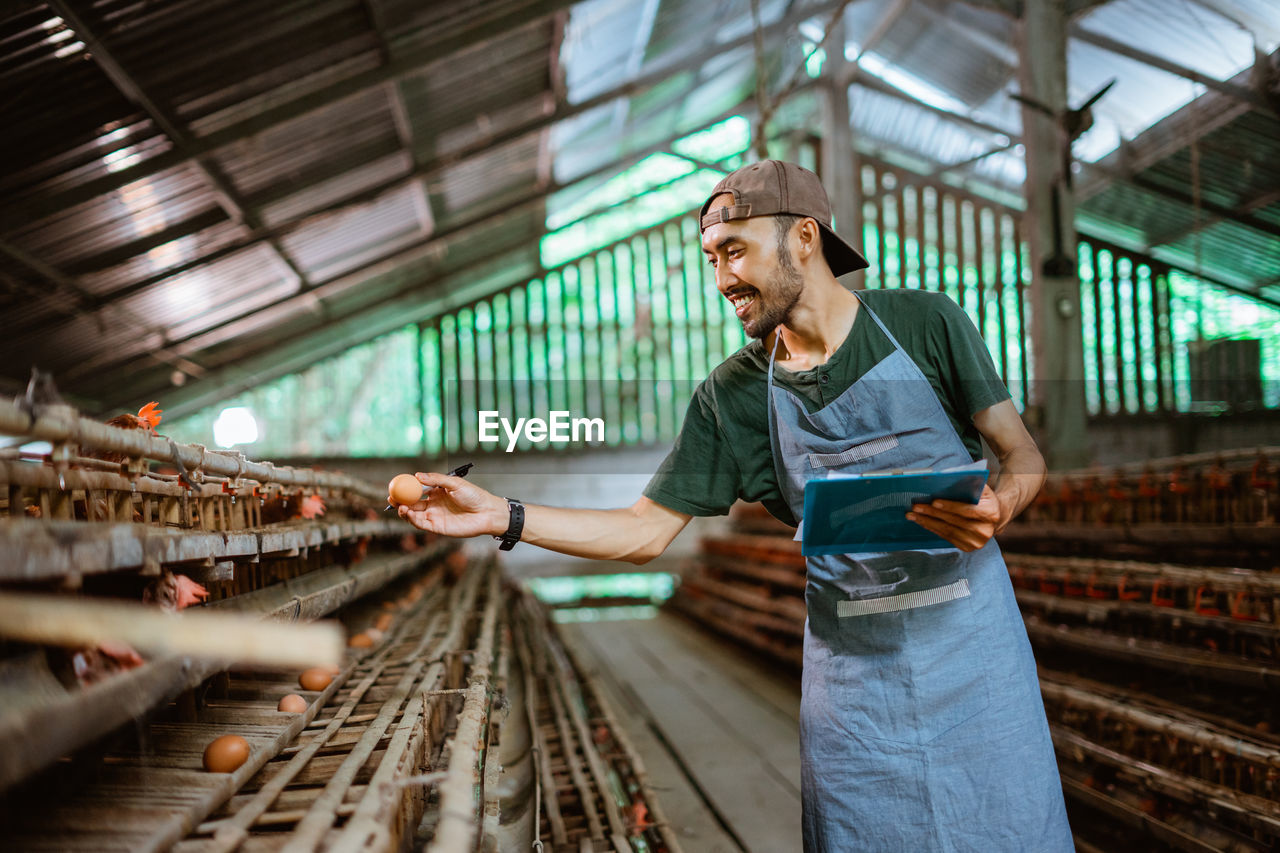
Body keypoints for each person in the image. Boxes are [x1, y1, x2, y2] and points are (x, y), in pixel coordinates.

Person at [397, 160, 1073, 851]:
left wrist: (1000, 502)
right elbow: (642, 531)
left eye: (735, 250)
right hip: (858, 697)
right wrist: (501, 515)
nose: (722, 279)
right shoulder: (735, 395)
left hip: (976, 665)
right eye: (712, 258)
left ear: (804, 238)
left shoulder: (926, 324)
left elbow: (1023, 457)